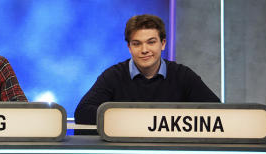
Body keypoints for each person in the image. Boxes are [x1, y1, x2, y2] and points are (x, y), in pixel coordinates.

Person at [73, 14, 219, 124]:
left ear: (163, 44)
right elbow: (83, 113)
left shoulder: (183, 75)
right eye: (137, 44)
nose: (144, 50)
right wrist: (134, 120)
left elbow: (218, 113)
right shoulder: (113, 76)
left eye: (151, 42)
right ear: (129, 47)